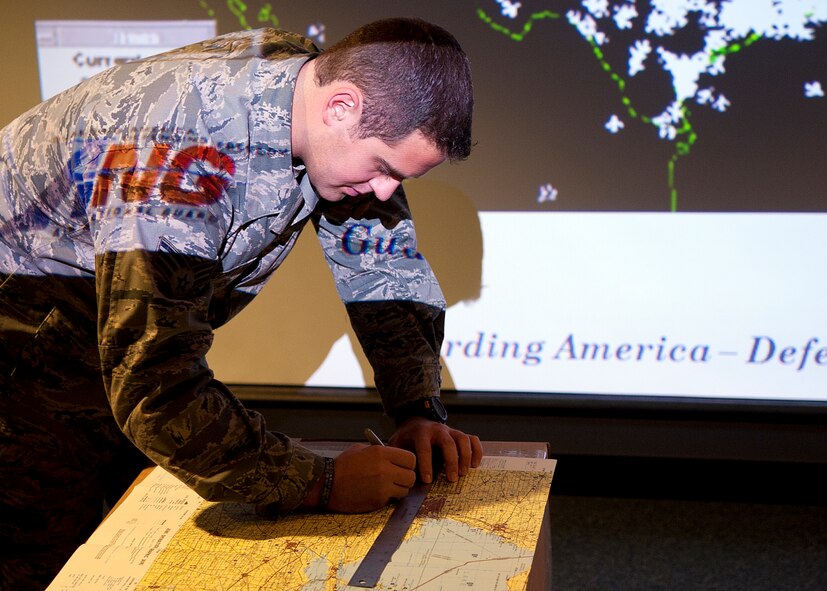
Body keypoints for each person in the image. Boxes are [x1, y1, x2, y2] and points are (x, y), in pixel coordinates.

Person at [0, 18, 483, 590]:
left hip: (105, 324)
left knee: (133, 540)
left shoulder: (325, 93)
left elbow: (381, 267)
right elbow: (157, 392)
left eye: (399, 178)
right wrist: (322, 484)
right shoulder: (177, 152)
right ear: (341, 108)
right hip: (23, 338)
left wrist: (417, 409)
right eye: (382, 169)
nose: (385, 192)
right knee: (44, 554)